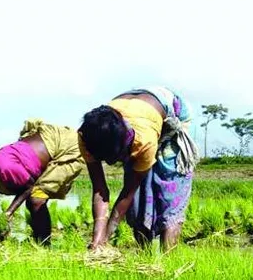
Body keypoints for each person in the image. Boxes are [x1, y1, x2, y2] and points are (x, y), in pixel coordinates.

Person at [78, 86, 199, 252]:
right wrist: (97, 240)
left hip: (171, 117)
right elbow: (100, 190)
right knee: (138, 207)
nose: (111, 163)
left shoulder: (142, 141)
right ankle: (146, 256)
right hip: (137, 115)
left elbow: (128, 191)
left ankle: (168, 262)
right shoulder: (87, 137)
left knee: (169, 196)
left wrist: (106, 237)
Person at [0, 118, 85, 245]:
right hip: (45, 154)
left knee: (36, 199)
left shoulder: (2, 164)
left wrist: (8, 213)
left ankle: (44, 246)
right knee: (34, 201)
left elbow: (30, 186)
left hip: (65, 146)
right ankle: (39, 241)